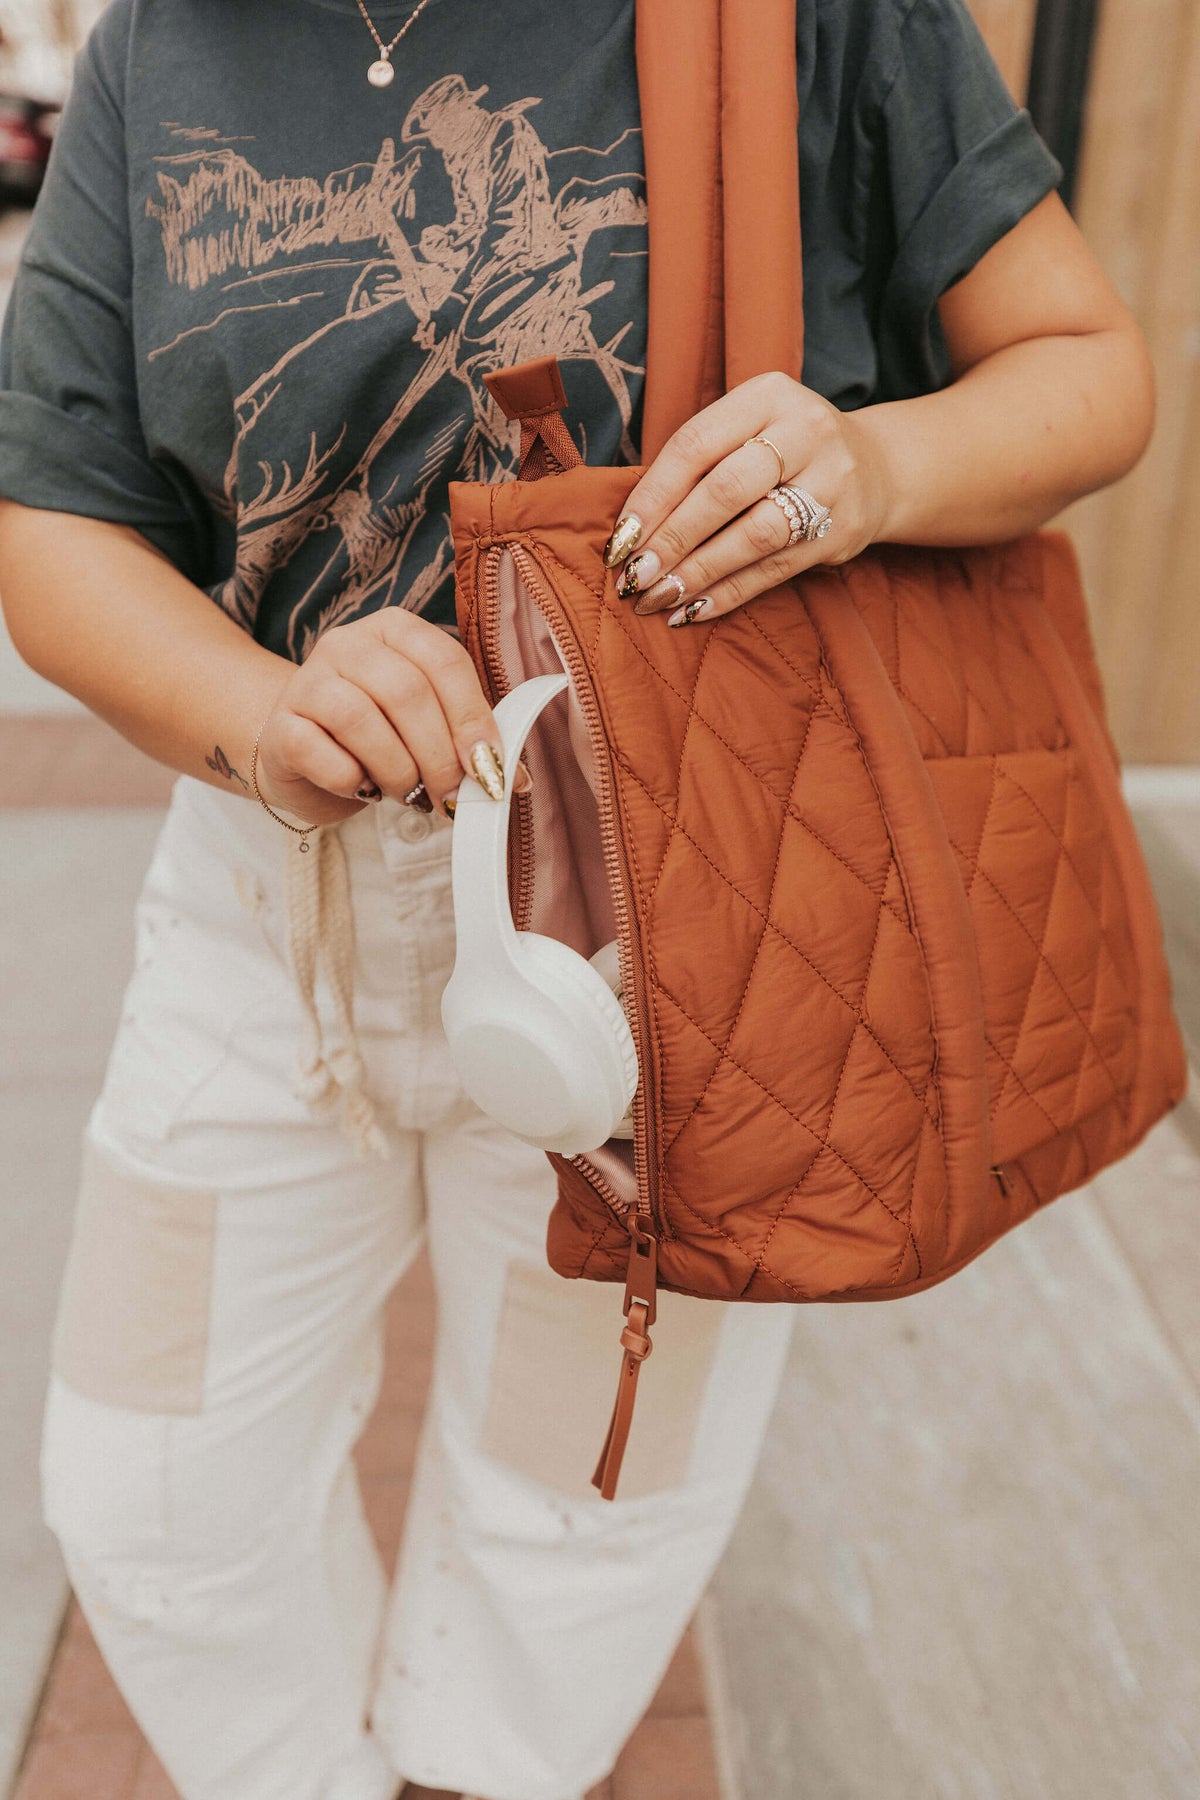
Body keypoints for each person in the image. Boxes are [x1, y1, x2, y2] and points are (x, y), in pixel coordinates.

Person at [0, 2, 1154, 1798]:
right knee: (151, 1489)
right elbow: (55, 520)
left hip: (670, 918)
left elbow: (1088, 365)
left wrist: (869, 470)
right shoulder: (166, 43)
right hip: (268, 909)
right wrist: (260, 708)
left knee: (585, 1497)